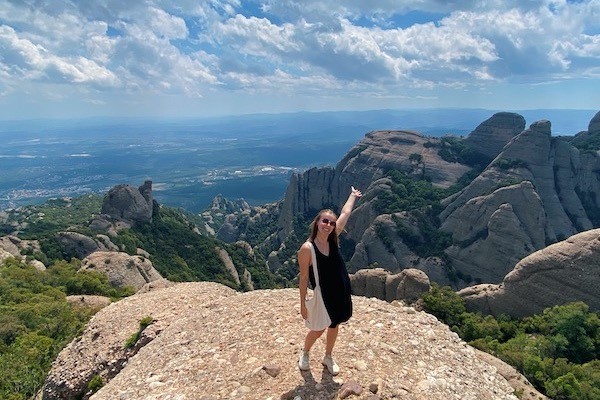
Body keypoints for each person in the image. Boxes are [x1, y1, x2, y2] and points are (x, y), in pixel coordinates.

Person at [297, 185, 363, 375]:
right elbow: (303, 277)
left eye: (332, 223)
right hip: (323, 294)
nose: (329, 225)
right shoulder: (307, 248)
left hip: (340, 292)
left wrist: (352, 195)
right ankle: (306, 352)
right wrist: (302, 304)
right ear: (317, 222)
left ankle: (328, 356)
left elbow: (345, 212)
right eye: (325, 221)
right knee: (318, 329)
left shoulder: (333, 240)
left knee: (334, 325)